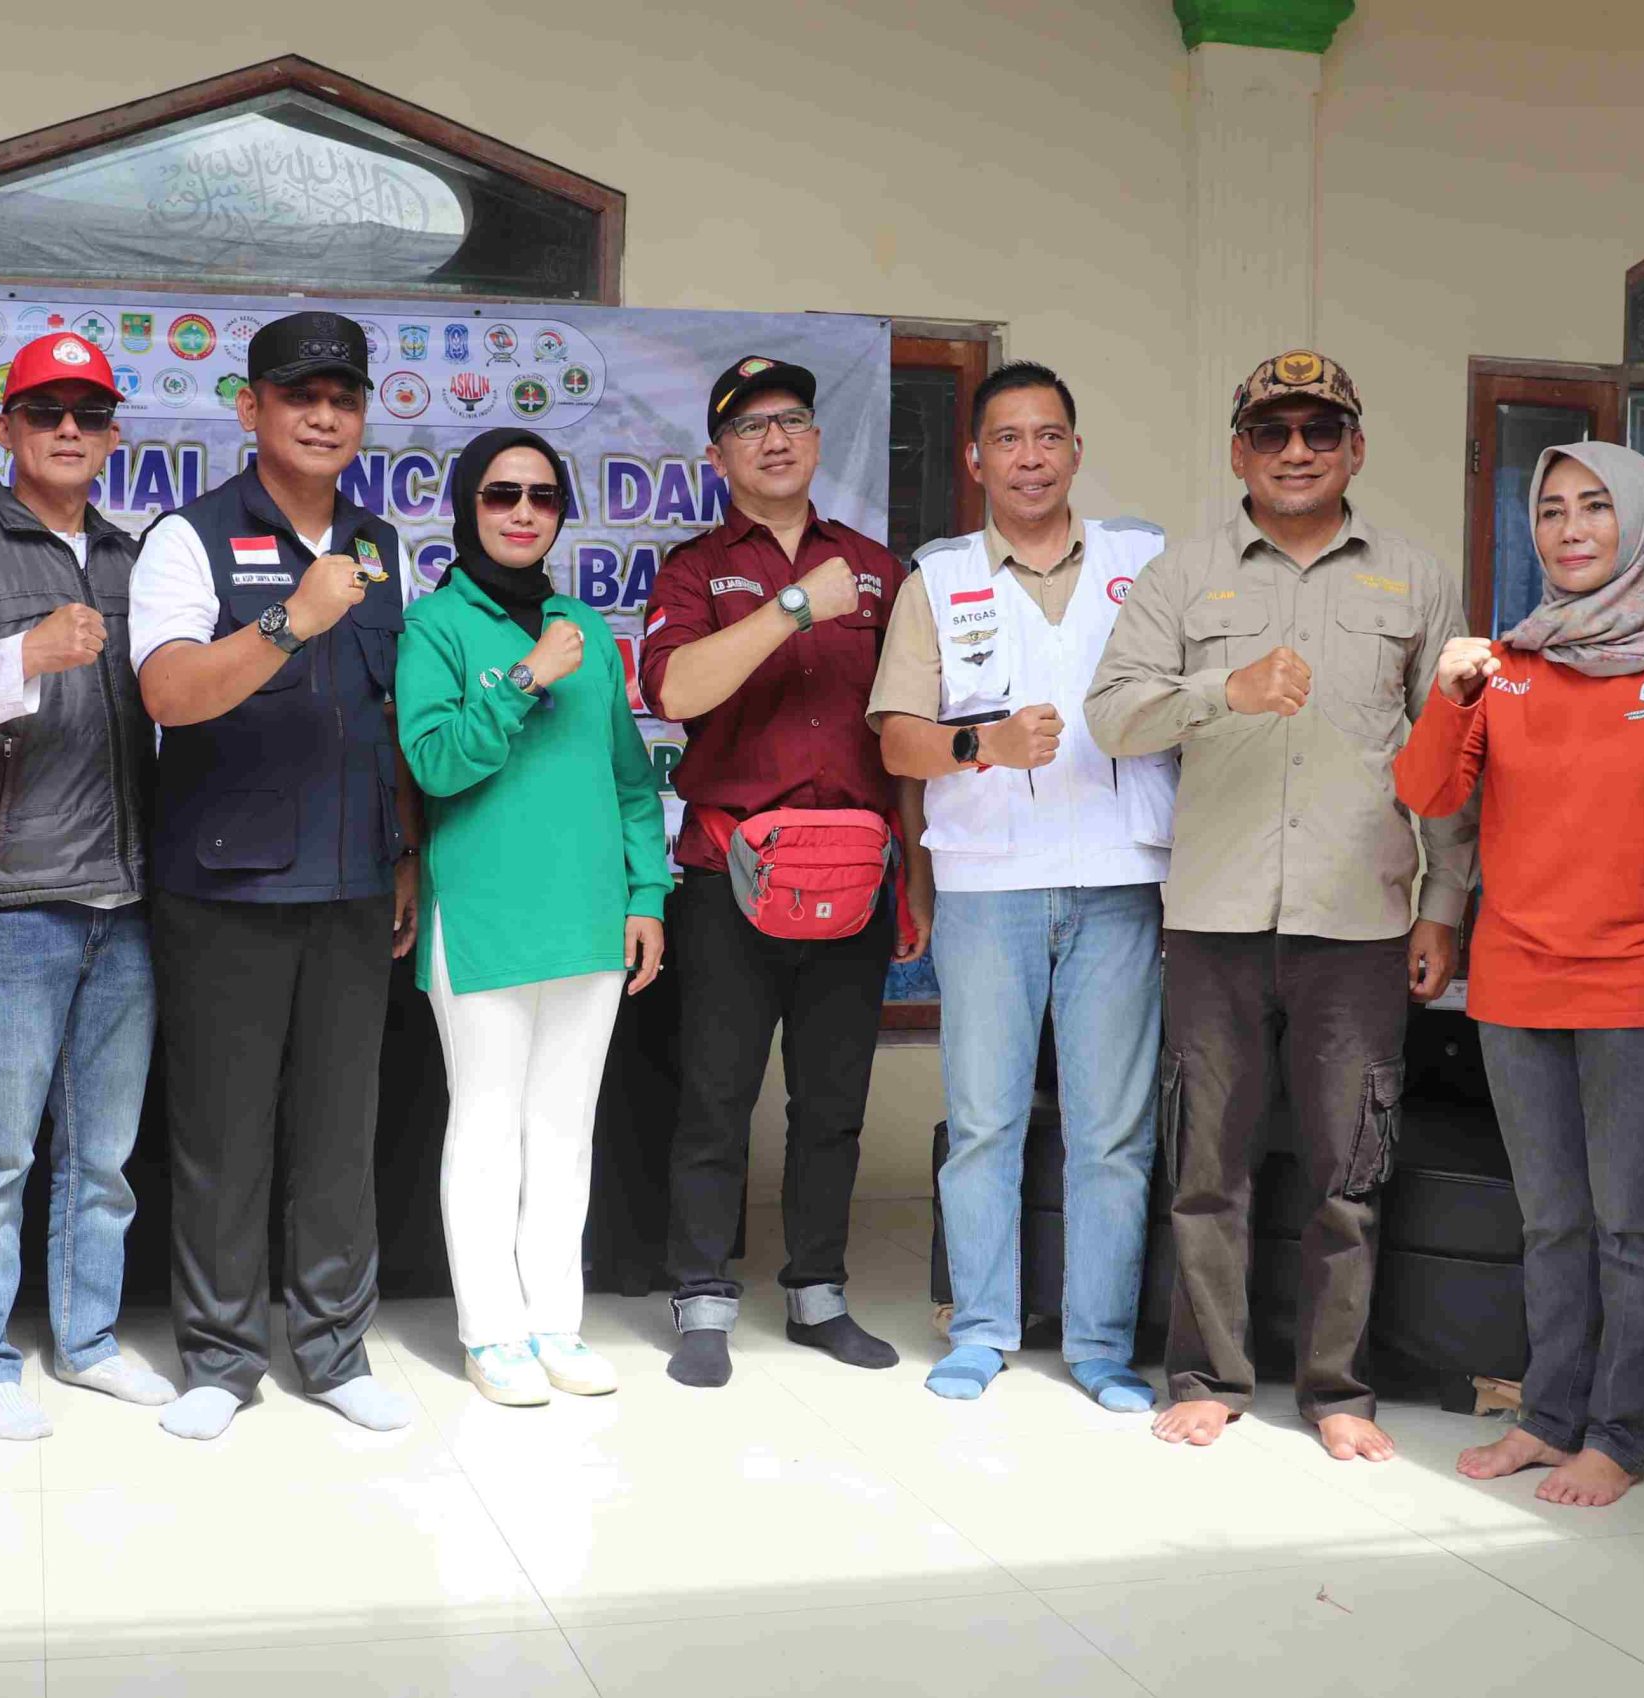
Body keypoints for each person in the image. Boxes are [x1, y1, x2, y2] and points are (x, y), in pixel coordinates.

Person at [1085, 349, 1477, 1461]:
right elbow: (1111, 717)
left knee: (1348, 1169)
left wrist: (1443, 900)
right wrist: (1226, 690)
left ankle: (1336, 1388)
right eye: (1271, 432)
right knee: (1205, 1165)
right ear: (1237, 453)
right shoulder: (1181, 574)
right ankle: (1209, 1374)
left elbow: (1448, 758)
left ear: (1354, 447)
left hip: (1358, 920)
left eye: (1318, 431)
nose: (1294, 451)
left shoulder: (1412, 575)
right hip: (1212, 917)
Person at [1394, 442, 1644, 1506]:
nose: (1569, 529)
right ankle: (1549, 1416)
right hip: (1517, 989)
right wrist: (1452, 690)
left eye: (1594, 507)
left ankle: (1619, 1432)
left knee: (1629, 1223)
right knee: (1549, 1219)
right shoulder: (1510, 661)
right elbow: (1424, 794)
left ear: (1640, 521)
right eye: (1549, 510)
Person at [129, 310, 423, 1441]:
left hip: (352, 882)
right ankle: (218, 1357)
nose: (322, 415)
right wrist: (291, 623)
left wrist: (401, 850)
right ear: (249, 408)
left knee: (339, 1133)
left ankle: (335, 1349)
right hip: (225, 886)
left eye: (341, 397)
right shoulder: (187, 537)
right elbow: (167, 692)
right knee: (221, 1134)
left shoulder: (380, 541)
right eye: (298, 395)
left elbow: (389, 710)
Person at [0, 331, 175, 1440]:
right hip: (6, 898)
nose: (68, 430)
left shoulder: (139, 552)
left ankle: (90, 1342)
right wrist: (25, 655)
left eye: (89, 413)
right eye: (45, 411)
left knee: (102, 1156)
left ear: (111, 437)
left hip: (127, 896)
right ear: (4, 429)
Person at [869, 361, 1172, 1411]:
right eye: (1008, 439)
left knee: (1111, 1133)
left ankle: (1098, 1345)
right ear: (974, 459)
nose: (1030, 457)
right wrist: (981, 741)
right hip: (989, 887)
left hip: (1118, 880)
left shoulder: (1145, 561)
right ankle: (984, 1329)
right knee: (986, 1121)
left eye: (1049, 436)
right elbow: (900, 744)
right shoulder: (938, 578)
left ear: (1076, 451)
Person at [639, 355, 932, 1390]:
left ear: (815, 442)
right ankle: (703, 1299)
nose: (776, 438)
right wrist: (795, 610)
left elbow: (900, 736)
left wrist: (918, 879)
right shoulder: (693, 569)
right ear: (718, 456)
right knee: (716, 1100)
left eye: (794, 420)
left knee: (833, 1101)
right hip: (730, 874)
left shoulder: (881, 572)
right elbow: (676, 688)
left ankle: (818, 1294)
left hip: (855, 877)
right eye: (751, 425)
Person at [395, 427, 673, 1407]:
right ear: (467, 507)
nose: (522, 511)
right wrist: (522, 680)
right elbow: (432, 764)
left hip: (590, 919)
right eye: (501, 494)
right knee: (486, 1126)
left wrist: (646, 897)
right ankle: (491, 1332)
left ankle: (554, 1320)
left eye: (543, 496)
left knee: (564, 1128)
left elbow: (633, 782)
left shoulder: (587, 630)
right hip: (479, 920)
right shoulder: (436, 626)